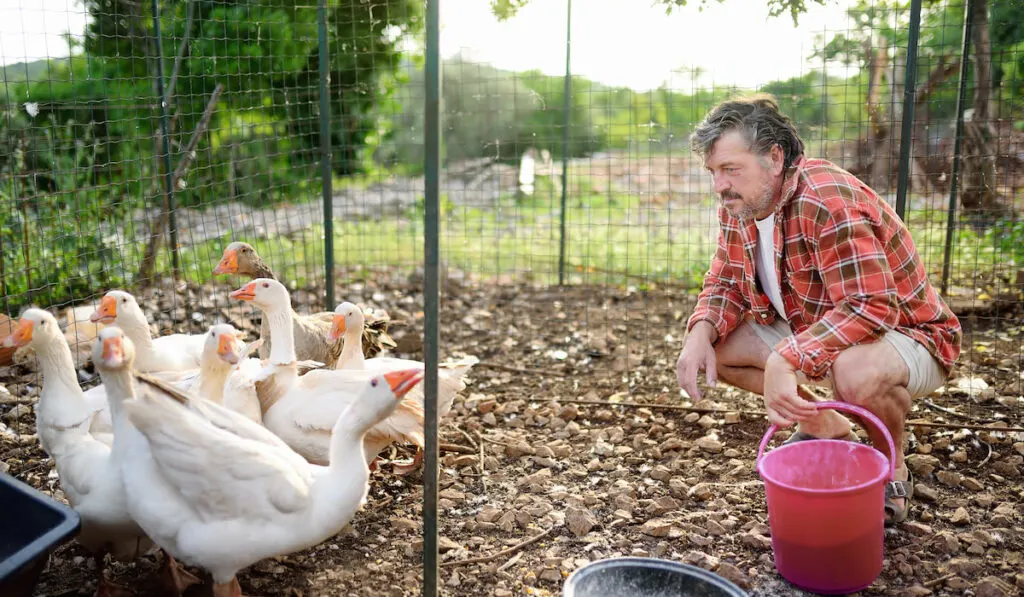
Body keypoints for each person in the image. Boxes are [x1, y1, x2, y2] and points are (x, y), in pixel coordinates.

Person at [675, 96, 962, 525]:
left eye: (731, 169)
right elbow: (725, 280)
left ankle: (890, 467)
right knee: (715, 349)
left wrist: (787, 356)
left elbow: (873, 306)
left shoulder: (826, 200)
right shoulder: (741, 205)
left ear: (774, 158)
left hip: (909, 335)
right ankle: (826, 426)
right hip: (821, 328)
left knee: (855, 373)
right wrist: (699, 331)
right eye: (714, 172)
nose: (720, 185)